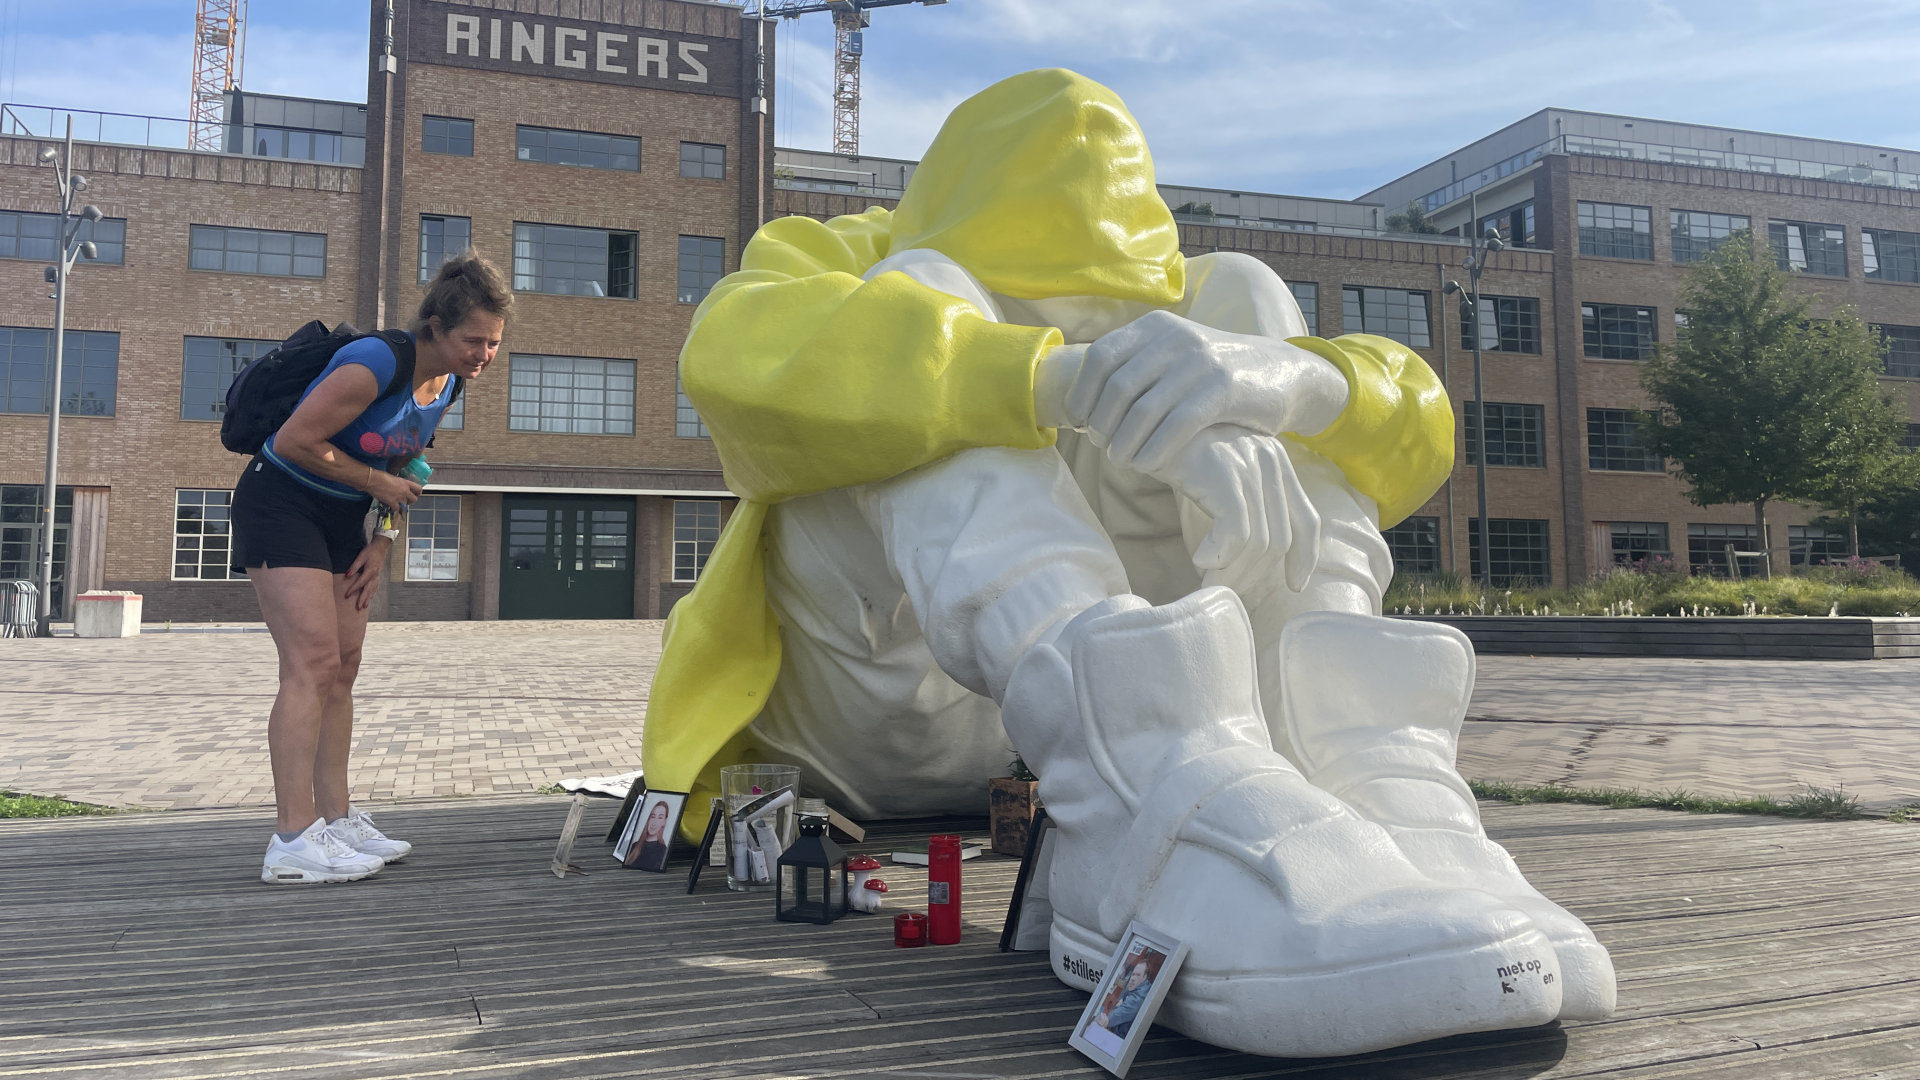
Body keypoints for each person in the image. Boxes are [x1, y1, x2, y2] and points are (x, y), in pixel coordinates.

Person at [640, 70, 1613, 1058]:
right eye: (1044, 304)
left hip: (1041, 748)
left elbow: (1414, 426)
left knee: (1245, 299)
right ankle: (1147, 804)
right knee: (916, 301)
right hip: (855, 718)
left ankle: (1366, 787)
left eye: (1103, 316)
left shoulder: (1200, 288)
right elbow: (727, 360)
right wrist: (1058, 379)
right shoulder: (851, 252)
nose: (1081, 331)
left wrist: (1290, 386)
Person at [239, 252, 510, 884]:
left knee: (343, 668)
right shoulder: (379, 362)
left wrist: (382, 545)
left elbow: (408, 469)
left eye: (494, 343)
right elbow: (293, 442)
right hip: (279, 503)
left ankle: (336, 822)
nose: (483, 354)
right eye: (473, 340)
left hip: (343, 519)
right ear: (436, 326)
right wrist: (374, 484)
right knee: (310, 664)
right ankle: (292, 839)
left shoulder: (448, 385)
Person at [627, 800, 673, 871]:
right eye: (653, 816)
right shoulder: (635, 846)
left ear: (664, 821)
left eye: (660, 818)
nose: (654, 823)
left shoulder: (662, 851)